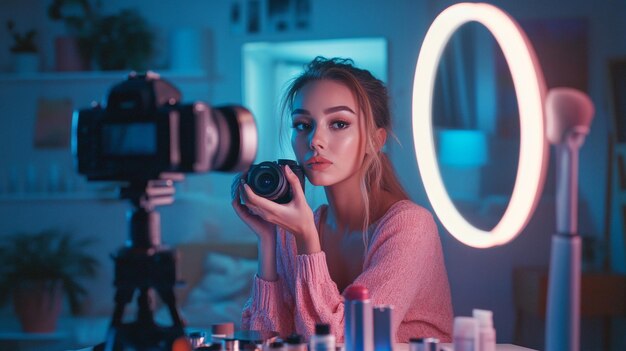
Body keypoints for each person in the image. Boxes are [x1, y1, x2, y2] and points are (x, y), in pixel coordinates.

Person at [231, 57, 453, 343]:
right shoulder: (297, 229)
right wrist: (268, 240)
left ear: (375, 140)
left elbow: (344, 341)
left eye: (338, 123)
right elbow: (268, 340)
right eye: (302, 125)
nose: (314, 140)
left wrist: (307, 241)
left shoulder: (410, 227)